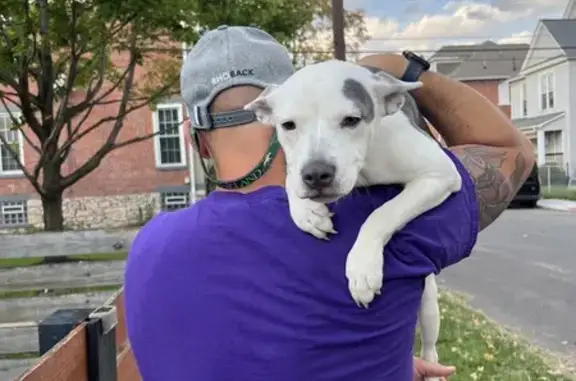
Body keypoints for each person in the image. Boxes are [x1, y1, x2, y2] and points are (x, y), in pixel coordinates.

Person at [124, 25, 534, 381]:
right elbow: (509, 149)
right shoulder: (394, 224)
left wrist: (387, 364)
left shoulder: (148, 248)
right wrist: (401, 67)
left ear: (199, 143)